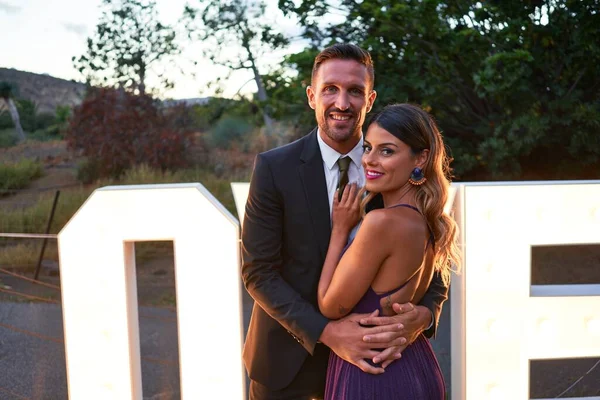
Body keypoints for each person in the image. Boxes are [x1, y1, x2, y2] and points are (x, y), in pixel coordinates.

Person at [241, 44, 450, 400]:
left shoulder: (395, 170)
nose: (342, 102)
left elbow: (433, 257)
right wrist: (326, 332)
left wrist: (426, 315)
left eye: (354, 91)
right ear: (311, 96)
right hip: (287, 370)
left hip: (376, 368)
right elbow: (258, 271)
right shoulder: (275, 169)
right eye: (330, 89)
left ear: (370, 99)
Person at [318, 103, 461, 399]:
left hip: (374, 372)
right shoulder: (429, 220)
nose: (370, 160)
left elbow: (330, 306)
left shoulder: (380, 222)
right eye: (368, 148)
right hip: (416, 363)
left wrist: (340, 231)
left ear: (420, 158)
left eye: (387, 151)